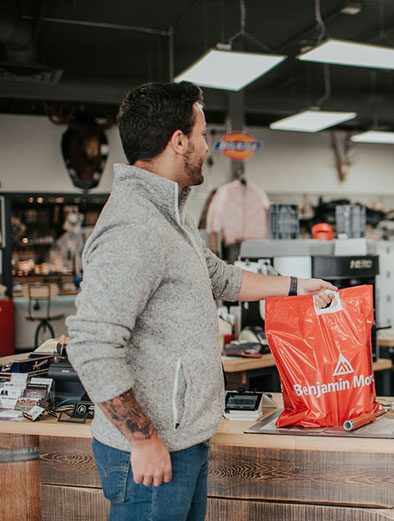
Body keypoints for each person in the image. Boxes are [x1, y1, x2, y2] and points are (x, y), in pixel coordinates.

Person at [66, 81, 336, 521]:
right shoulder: (135, 228)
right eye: (202, 134)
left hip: (182, 442)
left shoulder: (170, 216)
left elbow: (219, 276)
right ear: (178, 141)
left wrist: (295, 286)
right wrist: (142, 439)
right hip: (153, 458)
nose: (206, 146)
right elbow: (91, 344)